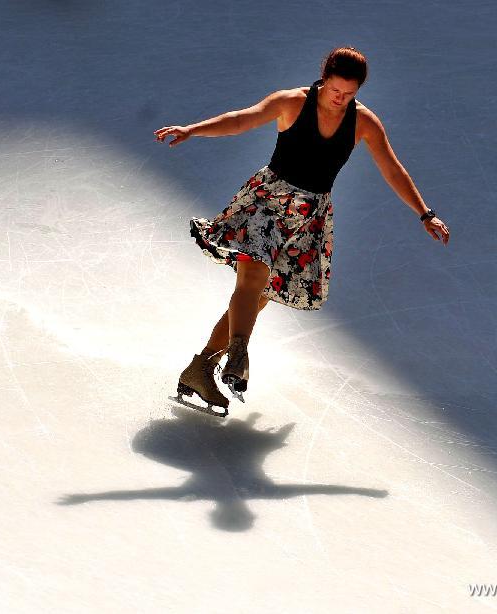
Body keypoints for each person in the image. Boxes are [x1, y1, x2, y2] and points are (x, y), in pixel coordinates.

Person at [155, 46, 450, 412]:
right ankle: (238, 354)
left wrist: (425, 212)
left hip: (310, 218)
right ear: (324, 78)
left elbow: (392, 169)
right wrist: (192, 130)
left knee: (259, 297)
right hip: (268, 201)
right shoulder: (292, 102)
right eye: (335, 90)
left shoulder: (364, 122)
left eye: (349, 94)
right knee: (251, 278)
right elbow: (240, 120)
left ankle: (201, 368)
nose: (340, 98)